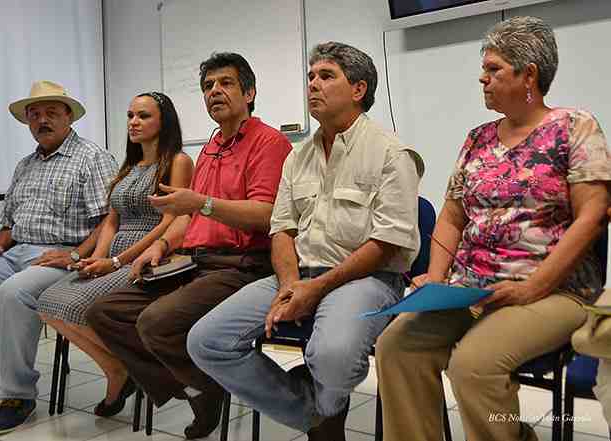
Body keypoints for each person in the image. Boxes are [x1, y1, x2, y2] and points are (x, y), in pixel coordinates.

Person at [374, 16, 611, 441]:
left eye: (494, 69)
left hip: (555, 289)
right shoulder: (477, 138)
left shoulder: (575, 127)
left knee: (474, 364)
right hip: (472, 287)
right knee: (396, 348)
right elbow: (450, 217)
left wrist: (533, 286)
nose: (482, 78)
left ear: (529, 75)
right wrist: (436, 276)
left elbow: (593, 216)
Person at [188, 42, 424, 441]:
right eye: (310, 76)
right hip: (298, 275)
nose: (312, 84)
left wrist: (315, 288)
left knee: (330, 356)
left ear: (359, 89)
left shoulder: (391, 154)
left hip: (367, 278)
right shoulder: (298, 157)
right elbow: (282, 229)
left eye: (326, 76)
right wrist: (289, 285)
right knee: (206, 341)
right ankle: (318, 414)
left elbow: (386, 243)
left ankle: (326, 405)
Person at [86, 52, 292, 439]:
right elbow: (187, 217)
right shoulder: (212, 146)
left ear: (249, 92)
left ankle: (203, 386)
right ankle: (197, 385)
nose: (214, 91)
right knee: (106, 312)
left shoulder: (270, 142)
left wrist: (200, 204)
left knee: (156, 323)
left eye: (225, 83)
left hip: (242, 264)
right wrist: (160, 245)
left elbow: (266, 214)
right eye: (207, 86)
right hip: (196, 262)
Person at [0, 80, 117, 435]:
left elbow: (108, 221)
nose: (42, 120)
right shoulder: (24, 165)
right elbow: (10, 224)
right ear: (27, 121)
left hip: (60, 256)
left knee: (11, 293)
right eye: (35, 114)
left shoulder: (92, 157)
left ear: (68, 116)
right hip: (13, 254)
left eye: (51, 113)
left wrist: (74, 255)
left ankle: (18, 396)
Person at [37, 92, 193, 417]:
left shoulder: (178, 161)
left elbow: (168, 223)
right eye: (130, 115)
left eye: (144, 116)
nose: (133, 122)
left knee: (76, 306)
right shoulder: (128, 167)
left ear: (164, 121)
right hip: (114, 256)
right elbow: (111, 221)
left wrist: (118, 262)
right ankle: (118, 370)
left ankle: (126, 373)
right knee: (48, 303)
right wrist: (99, 259)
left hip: (150, 255)